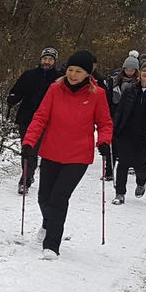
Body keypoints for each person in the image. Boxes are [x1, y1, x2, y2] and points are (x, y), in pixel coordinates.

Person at [20, 51, 113, 258]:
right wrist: (29, 141)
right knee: (44, 197)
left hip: (78, 156)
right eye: (70, 70)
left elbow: (105, 123)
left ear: (88, 73)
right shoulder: (54, 89)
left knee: (59, 198)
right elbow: (40, 117)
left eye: (78, 71)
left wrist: (104, 141)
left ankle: (52, 244)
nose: (72, 74)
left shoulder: (97, 94)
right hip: (52, 150)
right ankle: (47, 222)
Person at [6, 47, 60, 194]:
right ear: (40, 59)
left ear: (54, 61)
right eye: (45, 58)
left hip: (46, 121)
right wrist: (12, 98)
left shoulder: (59, 79)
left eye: (50, 59)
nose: (47, 62)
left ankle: (27, 178)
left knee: (34, 150)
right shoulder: (29, 75)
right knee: (27, 149)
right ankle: (26, 178)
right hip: (26, 117)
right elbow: (17, 90)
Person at [110, 62, 146, 204]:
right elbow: (120, 110)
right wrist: (114, 127)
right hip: (127, 131)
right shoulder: (130, 89)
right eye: (144, 70)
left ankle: (141, 182)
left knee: (139, 164)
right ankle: (120, 193)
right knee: (123, 163)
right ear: (139, 73)